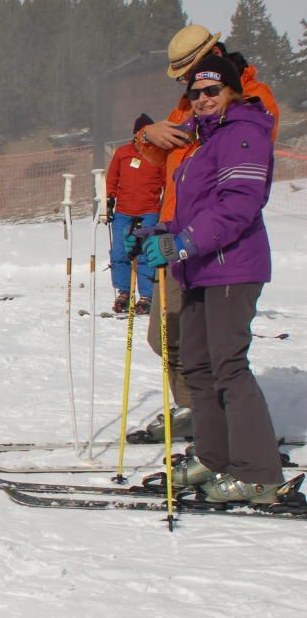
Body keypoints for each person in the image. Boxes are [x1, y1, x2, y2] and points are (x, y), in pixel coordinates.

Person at [128, 55, 284, 503]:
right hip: (199, 265)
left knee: (229, 366)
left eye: (212, 91)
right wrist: (163, 232)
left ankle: (259, 473)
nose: (202, 99)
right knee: (197, 364)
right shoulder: (200, 140)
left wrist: (184, 242)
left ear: (232, 92)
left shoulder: (244, 132)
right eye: (195, 93)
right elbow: (196, 206)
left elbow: (239, 204)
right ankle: (214, 457)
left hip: (233, 265)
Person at [105, 113, 165, 315]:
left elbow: (167, 183)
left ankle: (146, 295)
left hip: (148, 211)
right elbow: (112, 178)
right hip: (123, 212)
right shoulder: (123, 153)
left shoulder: (159, 156)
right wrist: (109, 199)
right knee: (120, 252)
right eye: (141, 134)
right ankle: (123, 292)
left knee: (146, 253)